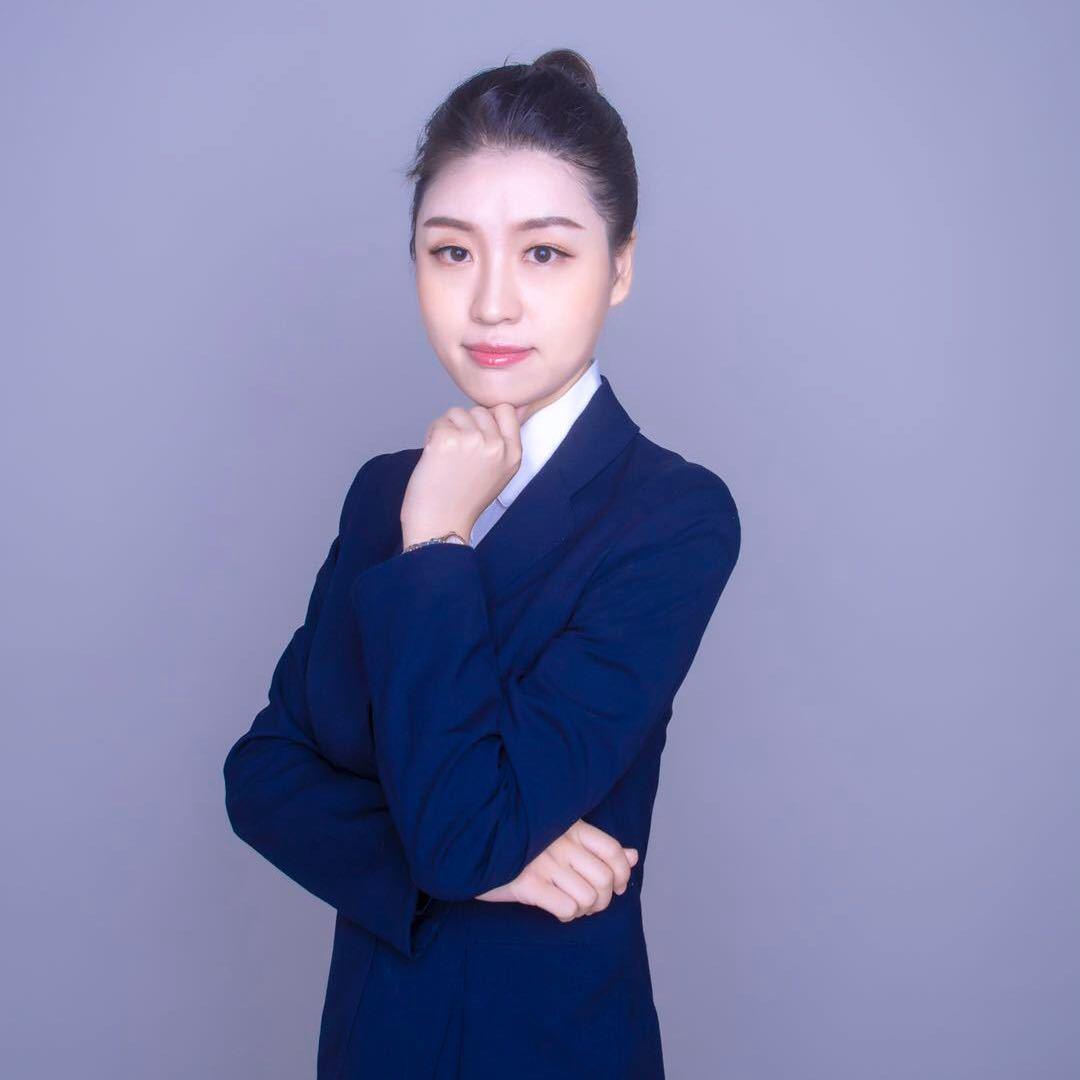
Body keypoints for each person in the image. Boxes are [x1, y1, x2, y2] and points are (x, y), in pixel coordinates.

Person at [223, 48, 741, 1079]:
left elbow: (461, 832)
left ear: (620, 267)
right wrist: (486, 863)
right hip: (374, 1045)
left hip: (548, 1047)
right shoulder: (383, 492)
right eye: (452, 251)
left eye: (544, 252)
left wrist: (438, 543)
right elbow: (261, 777)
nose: (492, 302)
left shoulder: (672, 516)